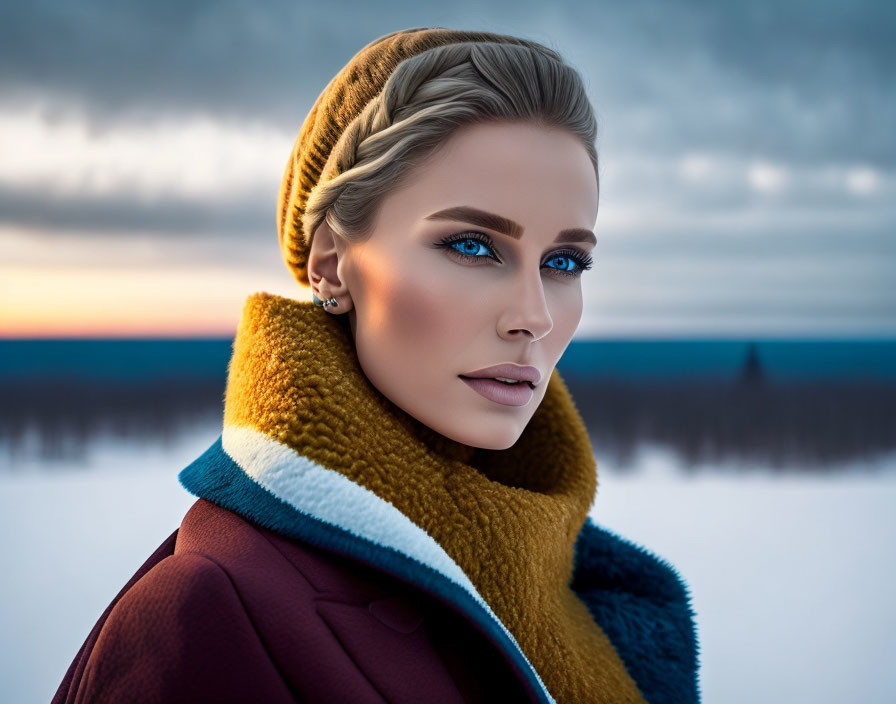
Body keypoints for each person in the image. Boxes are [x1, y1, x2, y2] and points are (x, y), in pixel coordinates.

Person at [53, 26, 699, 704]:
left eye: (564, 261)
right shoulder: (209, 612)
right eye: (473, 247)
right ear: (332, 261)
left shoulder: (576, 587)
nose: (534, 315)